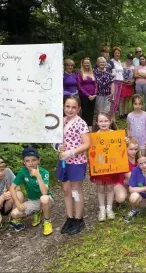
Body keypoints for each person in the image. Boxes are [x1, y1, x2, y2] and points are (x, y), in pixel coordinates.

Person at [55, 96, 91, 235]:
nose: (70, 109)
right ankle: (69, 217)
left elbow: (87, 143)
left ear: (79, 109)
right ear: (64, 107)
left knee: (75, 189)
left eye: (73, 107)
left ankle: (78, 218)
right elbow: (55, 139)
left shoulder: (80, 123)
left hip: (76, 161)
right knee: (65, 189)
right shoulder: (60, 121)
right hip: (64, 161)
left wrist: (71, 152)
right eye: (67, 106)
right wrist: (58, 147)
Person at [91, 111, 127, 221]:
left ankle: (109, 208)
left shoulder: (115, 134)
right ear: (97, 122)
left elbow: (121, 149)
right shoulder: (95, 136)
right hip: (100, 167)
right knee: (100, 188)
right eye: (101, 121)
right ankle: (102, 209)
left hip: (112, 167)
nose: (103, 123)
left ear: (110, 121)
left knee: (111, 187)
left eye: (106, 121)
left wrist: (125, 141)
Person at [9, 147, 54, 236]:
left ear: (39, 160)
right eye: (27, 161)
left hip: (47, 200)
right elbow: (12, 188)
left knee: (44, 198)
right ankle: (37, 212)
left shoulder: (44, 172)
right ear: (24, 162)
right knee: (14, 214)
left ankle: (47, 222)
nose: (31, 163)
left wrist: (38, 176)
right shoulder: (23, 172)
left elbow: (44, 192)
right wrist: (17, 203)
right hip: (33, 200)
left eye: (34, 160)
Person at [77, 57, 97, 130]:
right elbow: (79, 86)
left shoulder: (92, 72)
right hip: (84, 96)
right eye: (85, 63)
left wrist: (94, 94)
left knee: (91, 113)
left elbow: (95, 84)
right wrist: (88, 95)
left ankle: (90, 128)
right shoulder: (80, 73)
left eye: (88, 63)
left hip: (93, 96)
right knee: (85, 112)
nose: (86, 64)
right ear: (82, 64)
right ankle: (84, 129)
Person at [119, 53, 135, 119]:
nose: (129, 60)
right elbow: (119, 74)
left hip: (129, 85)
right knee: (122, 99)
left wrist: (132, 81)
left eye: (131, 59)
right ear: (126, 58)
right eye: (128, 59)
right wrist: (123, 80)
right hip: (123, 84)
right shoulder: (122, 65)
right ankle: (120, 113)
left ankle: (126, 113)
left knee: (127, 99)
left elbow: (134, 77)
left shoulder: (133, 67)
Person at [109, 46, 124, 117]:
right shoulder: (111, 61)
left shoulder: (120, 62)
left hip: (120, 82)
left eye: (118, 53)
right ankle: (111, 116)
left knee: (117, 101)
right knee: (113, 100)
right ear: (113, 54)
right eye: (116, 53)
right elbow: (109, 72)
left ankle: (113, 115)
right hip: (114, 82)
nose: (117, 54)